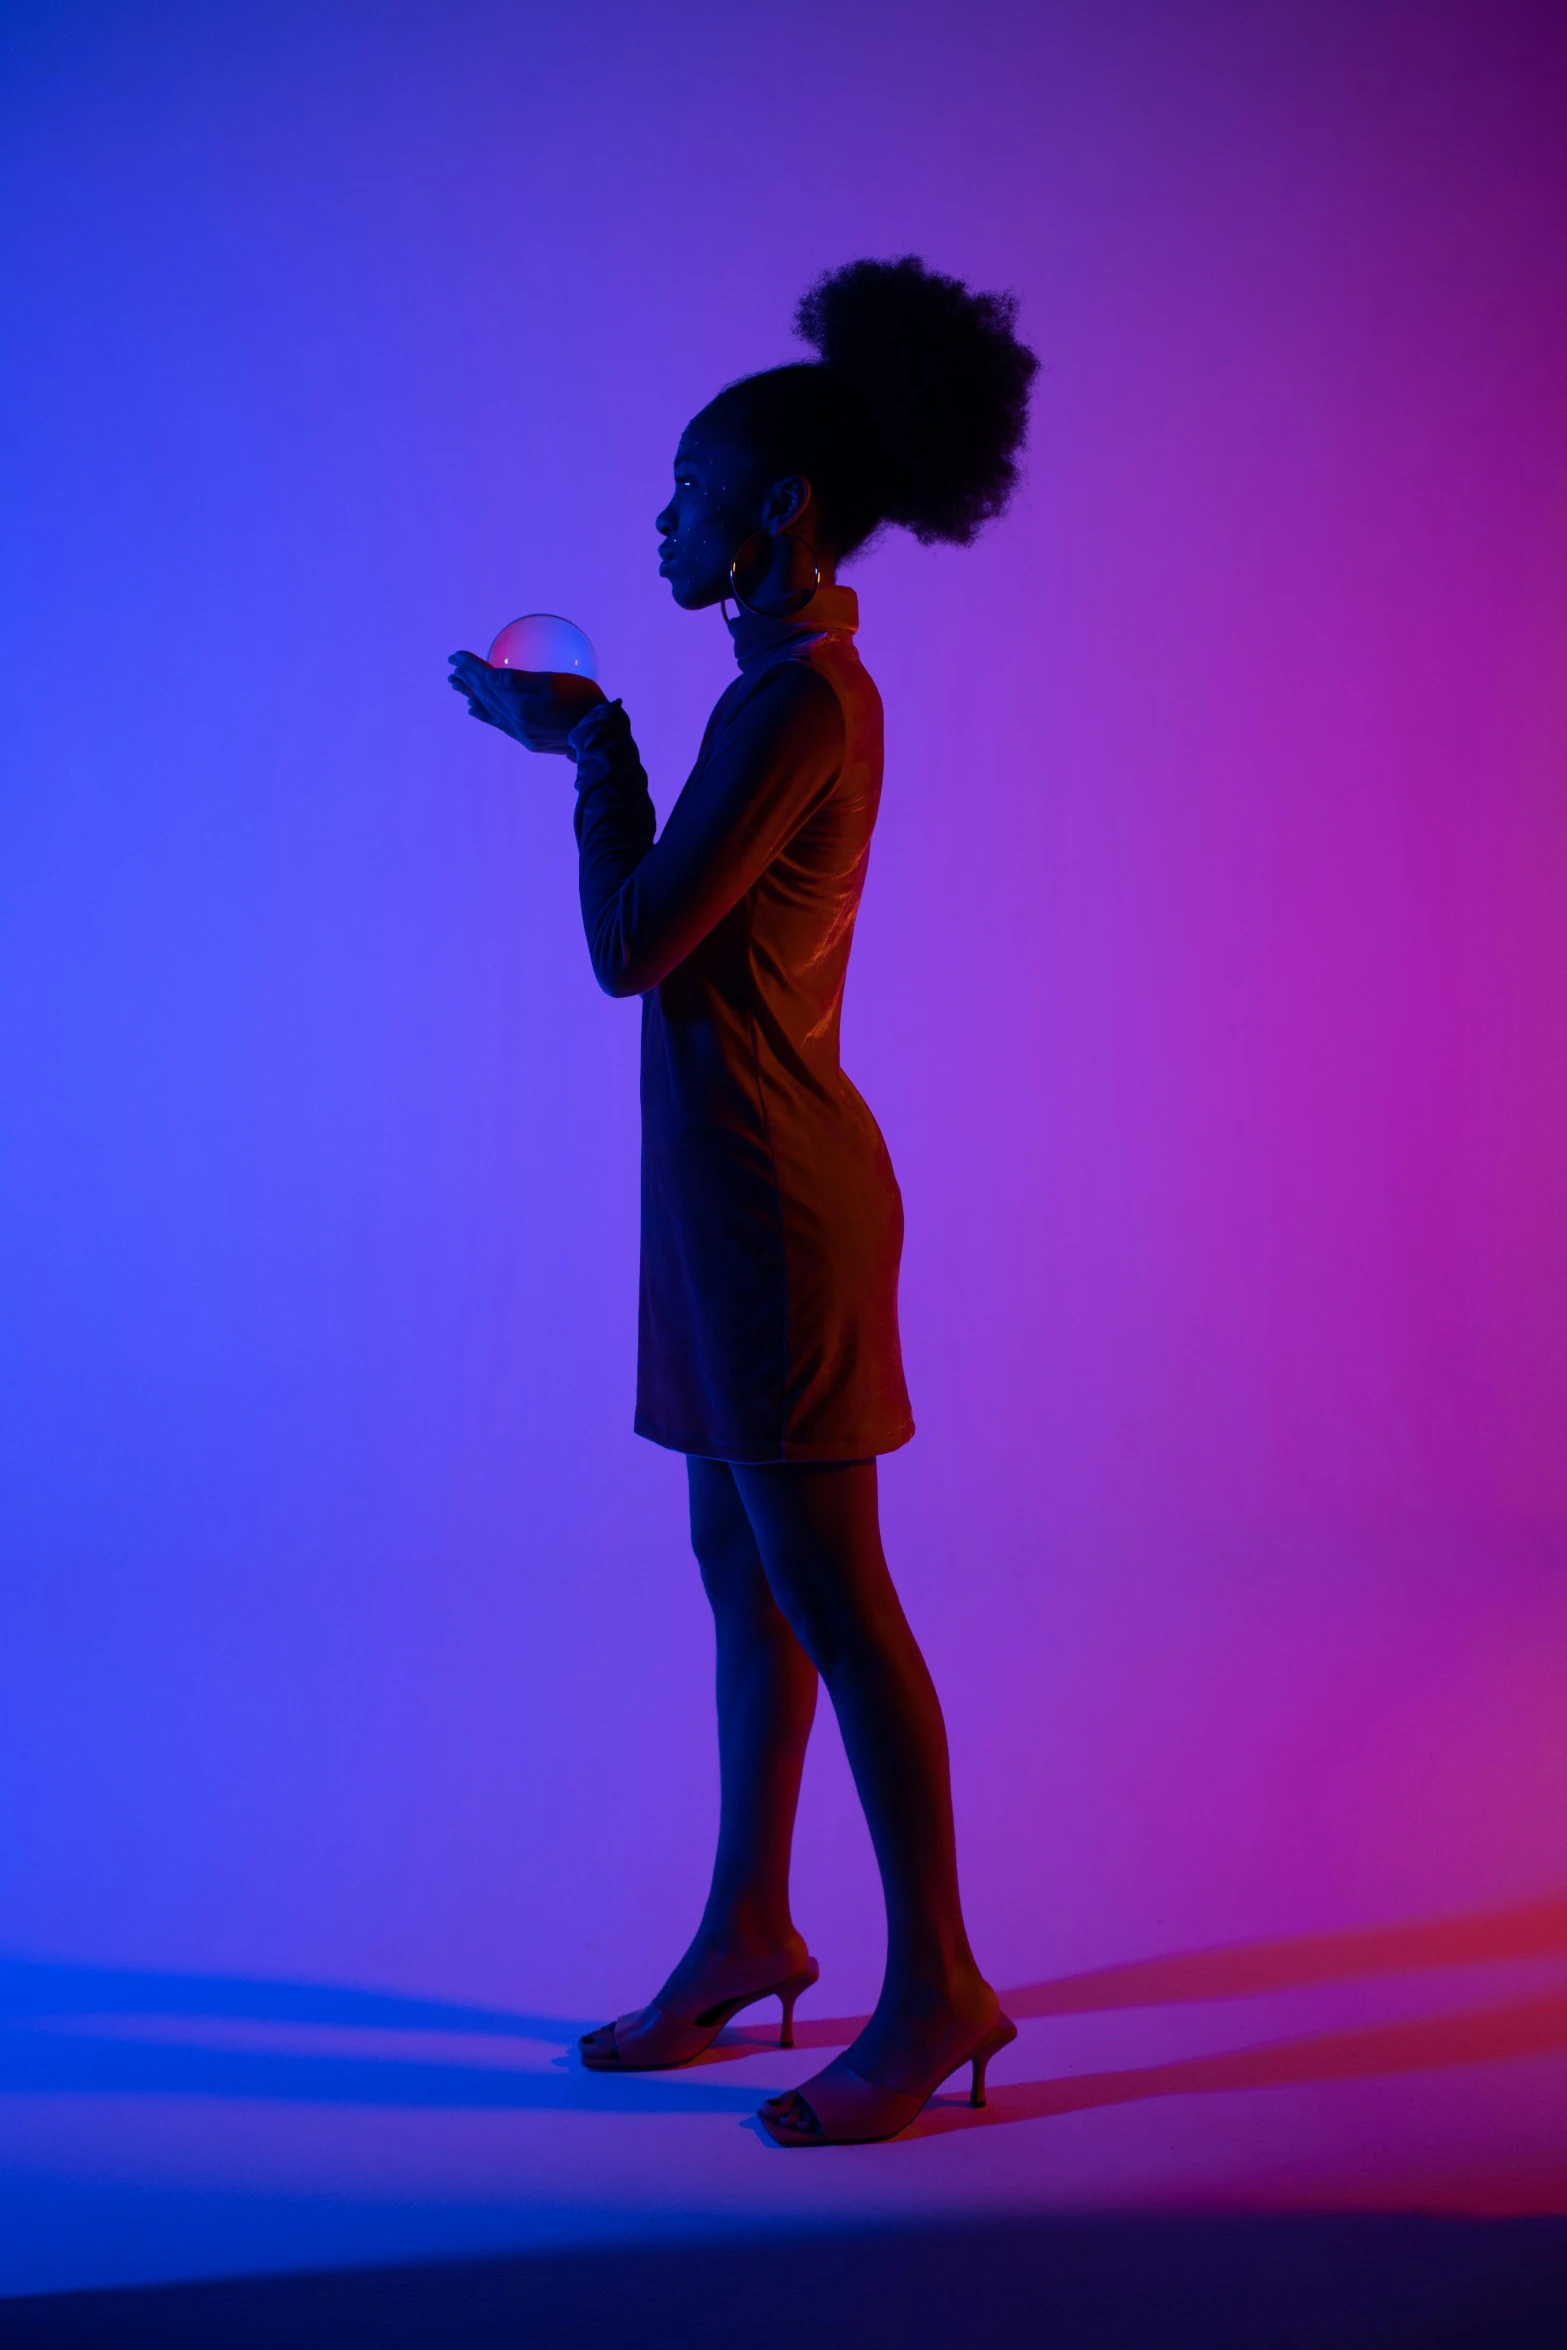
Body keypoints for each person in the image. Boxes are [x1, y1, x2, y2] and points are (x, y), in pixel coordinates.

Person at [449, 255, 1038, 2146]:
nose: (662, 514)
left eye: (688, 486)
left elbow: (635, 944)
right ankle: (749, 1929)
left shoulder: (796, 705)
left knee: (833, 1591)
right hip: (719, 1205)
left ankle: (934, 1978)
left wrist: (585, 749)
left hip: (777, 1208)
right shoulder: (775, 690)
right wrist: (613, 745)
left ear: (772, 512)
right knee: (740, 1570)